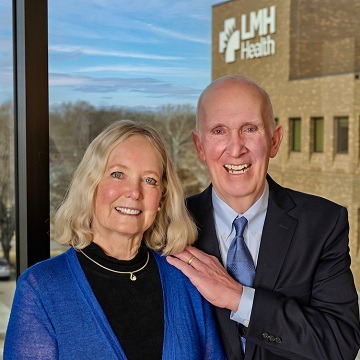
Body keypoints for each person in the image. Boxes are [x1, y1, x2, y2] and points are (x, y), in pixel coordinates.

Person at [167, 75, 360, 360]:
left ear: (275, 140)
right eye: (219, 131)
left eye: (249, 129)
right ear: (199, 146)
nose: (236, 148)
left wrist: (239, 299)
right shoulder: (169, 226)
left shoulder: (323, 224)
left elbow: (341, 342)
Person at [4, 120, 226, 360]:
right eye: (118, 174)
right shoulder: (41, 288)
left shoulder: (186, 280)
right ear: (91, 185)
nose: (134, 192)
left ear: (161, 198)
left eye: (149, 180)